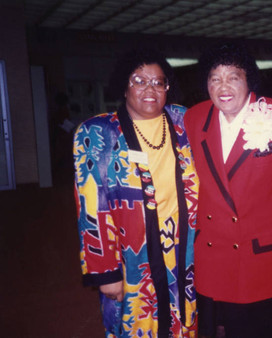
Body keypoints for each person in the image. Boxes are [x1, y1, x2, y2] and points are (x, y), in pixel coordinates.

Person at [185, 42, 272, 338]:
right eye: (214, 78)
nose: (223, 86)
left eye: (233, 76)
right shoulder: (194, 118)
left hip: (261, 259)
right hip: (212, 257)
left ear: (249, 81)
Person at [73, 48, 199, 337]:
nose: (150, 89)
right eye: (139, 80)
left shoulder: (183, 122)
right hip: (131, 259)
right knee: (133, 327)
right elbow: (90, 206)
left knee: (183, 325)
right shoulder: (97, 133)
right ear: (124, 85)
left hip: (183, 252)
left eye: (158, 82)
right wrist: (106, 274)